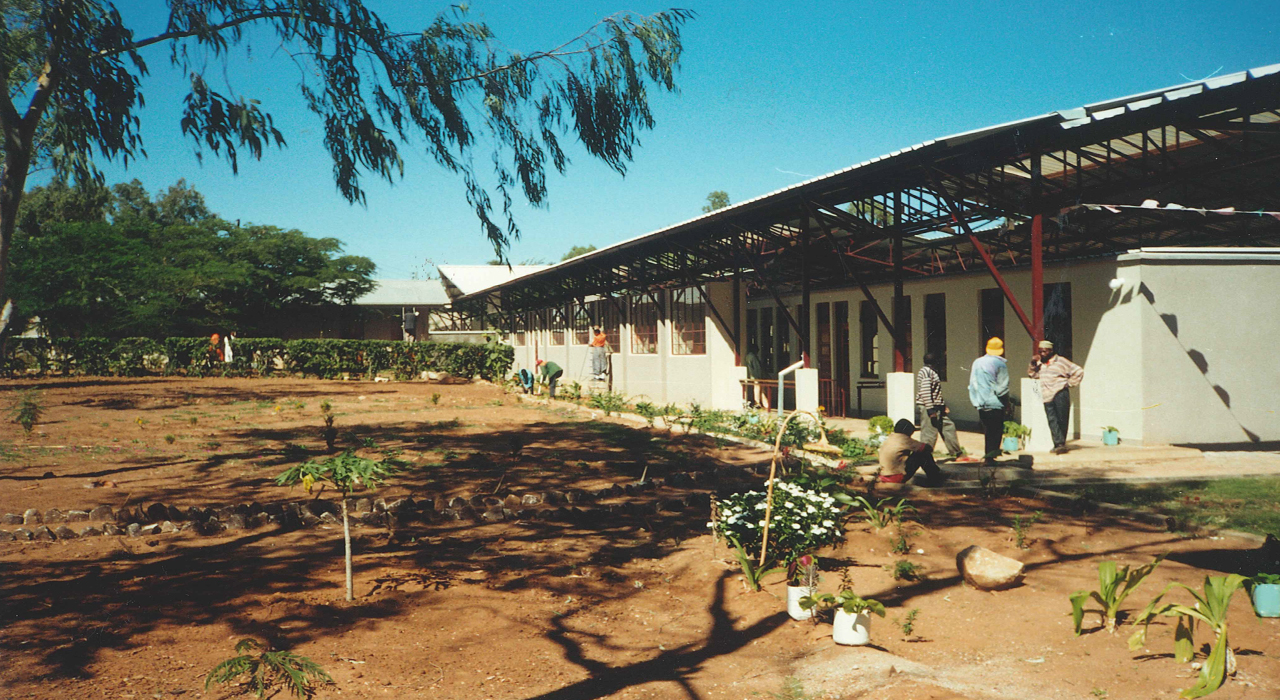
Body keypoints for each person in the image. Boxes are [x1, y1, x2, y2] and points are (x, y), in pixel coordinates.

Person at [1028, 339, 1084, 454]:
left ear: (1051, 351)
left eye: (1045, 351)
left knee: (1062, 419)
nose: (1042, 354)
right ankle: (1058, 444)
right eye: (1040, 351)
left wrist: (1069, 383)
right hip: (1047, 395)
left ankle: (1060, 444)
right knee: (1052, 420)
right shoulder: (1040, 364)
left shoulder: (1061, 361)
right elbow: (1032, 375)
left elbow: (1078, 371)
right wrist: (1033, 364)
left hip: (1060, 393)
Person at [968, 337, 1010, 465]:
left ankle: (988, 457)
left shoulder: (977, 362)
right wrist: (1007, 403)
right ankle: (990, 458)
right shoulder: (1000, 364)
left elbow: (972, 384)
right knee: (996, 432)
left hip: (981, 403)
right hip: (995, 403)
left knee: (988, 431)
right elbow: (1002, 388)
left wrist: (975, 401)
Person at [916, 353, 965, 460]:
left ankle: (957, 453)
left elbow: (935, 392)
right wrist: (930, 410)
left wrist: (942, 406)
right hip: (930, 407)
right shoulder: (926, 372)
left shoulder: (931, 372)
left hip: (937, 407)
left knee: (948, 426)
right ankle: (924, 457)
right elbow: (925, 392)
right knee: (929, 433)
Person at [878, 418, 946, 485]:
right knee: (922, 454)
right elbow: (927, 448)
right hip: (897, 477)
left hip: (884, 476)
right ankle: (935, 478)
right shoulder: (904, 439)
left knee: (918, 452)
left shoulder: (890, 438)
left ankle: (935, 476)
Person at [744, 342, 769, 410]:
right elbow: (757, 368)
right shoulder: (753, 357)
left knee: (760, 390)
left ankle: (764, 404)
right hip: (757, 377)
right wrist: (760, 377)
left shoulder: (748, 357)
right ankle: (759, 403)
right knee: (760, 390)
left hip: (754, 376)